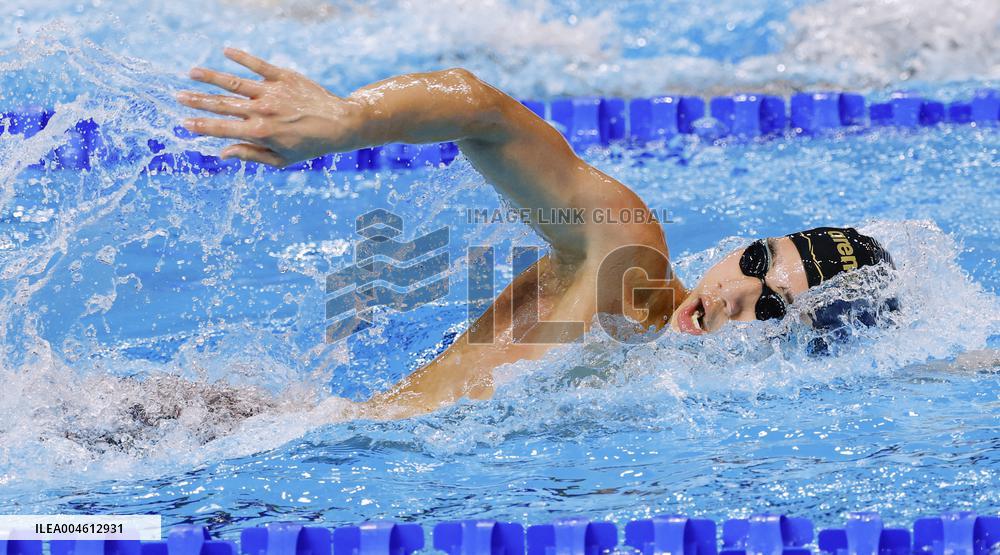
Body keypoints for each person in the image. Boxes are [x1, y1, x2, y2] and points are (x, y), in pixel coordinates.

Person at [177, 48, 895, 420]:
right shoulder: (628, 269)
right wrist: (347, 121)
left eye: (770, 306)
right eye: (757, 260)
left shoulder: (670, 393)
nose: (732, 294)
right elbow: (482, 109)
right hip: (243, 433)